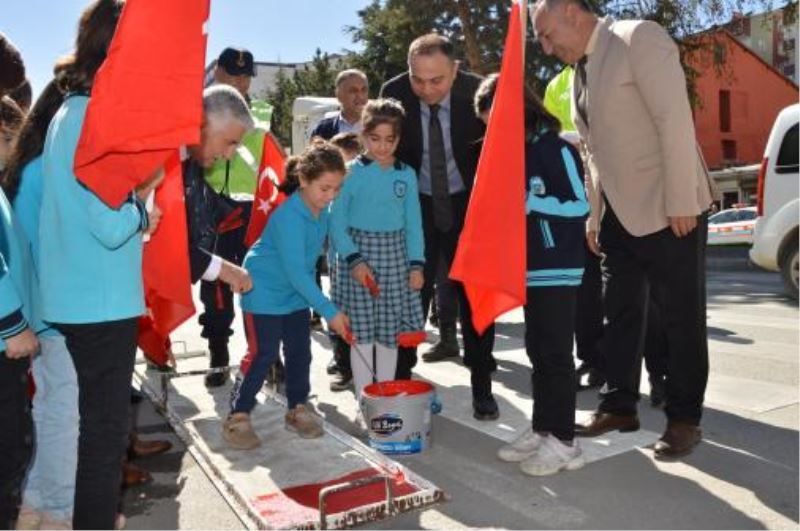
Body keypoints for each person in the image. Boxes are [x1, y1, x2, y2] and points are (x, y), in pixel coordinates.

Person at [532, 0, 713, 457]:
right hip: (616, 216)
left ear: (571, 12)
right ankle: (619, 406)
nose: (547, 48)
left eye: (548, 35)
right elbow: (592, 151)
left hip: (668, 206)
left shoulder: (637, 39)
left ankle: (684, 419)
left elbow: (674, 119)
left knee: (680, 318)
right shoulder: (579, 71)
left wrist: (681, 199)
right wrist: (595, 215)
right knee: (619, 314)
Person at [37, 1, 162, 527]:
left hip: (77, 296)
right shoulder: (93, 116)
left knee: (95, 432)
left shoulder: (69, 112)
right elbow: (109, 224)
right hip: (100, 304)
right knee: (104, 438)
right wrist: (144, 203)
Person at [381, 33, 499, 420]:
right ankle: (400, 380)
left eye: (437, 80)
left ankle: (482, 385)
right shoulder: (395, 93)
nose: (427, 90)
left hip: (468, 207)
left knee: (475, 299)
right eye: (418, 79)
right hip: (417, 208)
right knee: (410, 295)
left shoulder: (477, 93)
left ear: (455, 70)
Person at [475, 74, 588, 476]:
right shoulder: (515, 156)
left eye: (495, 123)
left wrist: (531, 203)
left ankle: (565, 442)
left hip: (559, 267)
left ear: (517, 111)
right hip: (530, 269)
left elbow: (579, 205)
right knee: (537, 351)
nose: (492, 133)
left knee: (556, 354)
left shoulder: (556, 149)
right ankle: (543, 428)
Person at [223, 145, 350, 449]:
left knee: (300, 352)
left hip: (295, 294)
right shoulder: (288, 217)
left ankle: (297, 408)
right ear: (304, 180)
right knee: (263, 353)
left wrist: (357, 263)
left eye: (337, 188)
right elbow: (296, 272)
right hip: (263, 290)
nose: (331, 196)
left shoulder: (323, 210)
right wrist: (329, 312)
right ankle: (238, 415)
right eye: (325, 188)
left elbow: (340, 238)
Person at [2, 80, 80, 530]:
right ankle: (58, 510)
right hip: (53, 311)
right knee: (62, 416)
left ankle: (34, 502)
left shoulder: (28, 171)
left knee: (46, 412)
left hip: (39, 310)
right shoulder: (47, 172)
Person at [329, 99, 425, 406]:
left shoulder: (406, 174)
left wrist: (416, 265)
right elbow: (336, 223)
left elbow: (414, 224)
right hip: (357, 259)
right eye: (375, 139)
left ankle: (384, 398)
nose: (382, 147)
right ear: (363, 134)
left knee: (388, 334)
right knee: (362, 335)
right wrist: (354, 260)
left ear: (399, 138)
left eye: (390, 140)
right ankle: (365, 402)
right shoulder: (349, 173)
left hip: (395, 259)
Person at [201, 47, 263, 388]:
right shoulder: (204, 109)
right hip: (213, 208)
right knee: (216, 286)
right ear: (218, 73)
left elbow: (272, 160)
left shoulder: (263, 113)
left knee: (260, 282)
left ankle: (266, 353)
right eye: (233, 75)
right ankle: (218, 353)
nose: (240, 82)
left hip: (253, 210)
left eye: (245, 77)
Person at [0, 91, 39, 531]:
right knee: (10, 448)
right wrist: (12, 326)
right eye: (12, 141)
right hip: (3, 340)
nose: (13, 154)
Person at [310, 69, 369, 139]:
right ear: (338, 95)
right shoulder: (324, 129)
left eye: (364, 90)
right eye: (353, 91)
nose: (360, 96)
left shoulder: (378, 125)